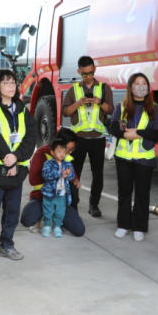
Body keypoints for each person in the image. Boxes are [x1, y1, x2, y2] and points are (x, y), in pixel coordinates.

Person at [0, 69, 37, 270]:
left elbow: (30, 138)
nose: (12, 86)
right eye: (6, 82)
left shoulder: (22, 110)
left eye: (13, 82)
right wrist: (8, 160)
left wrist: (17, 158)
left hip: (16, 170)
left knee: (12, 212)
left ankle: (7, 245)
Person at [108, 73, 158, 242]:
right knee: (124, 192)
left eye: (144, 83)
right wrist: (127, 135)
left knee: (142, 193)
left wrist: (138, 133)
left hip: (144, 159)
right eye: (137, 83)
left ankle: (139, 227)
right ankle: (123, 225)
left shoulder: (154, 108)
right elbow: (113, 127)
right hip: (123, 158)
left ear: (148, 87)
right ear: (130, 87)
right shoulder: (122, 106)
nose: (141, 86)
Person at [61, 56, 114, 217]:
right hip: (78, 140)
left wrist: (99, 102)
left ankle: (94, 205)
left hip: (97, 139)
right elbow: (65, 112)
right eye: (85, 74)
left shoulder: (104, 88)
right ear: (79, 72)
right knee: (73, 173)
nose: (88, 76)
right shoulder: (73, 90)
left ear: (94, 69)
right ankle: (73, 206)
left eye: (91, 72)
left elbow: (111, 110)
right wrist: (78, 103)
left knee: (98, 174)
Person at [20, 128, 86, 236]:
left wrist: (75, 180)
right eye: (69, 148)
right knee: (28, 220)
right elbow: (33, 180)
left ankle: (58, 218)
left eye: (71, 149)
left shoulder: (67, 158)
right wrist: (57, 175)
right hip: (42, 197)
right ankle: (40, 215)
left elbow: (73, 174)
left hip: (61, 199)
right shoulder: (41, 154)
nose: (70, 152)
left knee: (79, 230)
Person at [40, 139, 75, 237]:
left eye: (64, 152)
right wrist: (59, 173)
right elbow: (45, 174)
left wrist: (68, 174)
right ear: (52, 152)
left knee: (60, 211)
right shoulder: (48, 163)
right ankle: (47, 225)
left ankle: (57, 226)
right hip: (49, 193)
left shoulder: (68, 164)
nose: (62, 154)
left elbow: (72, 176)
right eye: (59, 151)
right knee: (48, 210)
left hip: (62, 193)